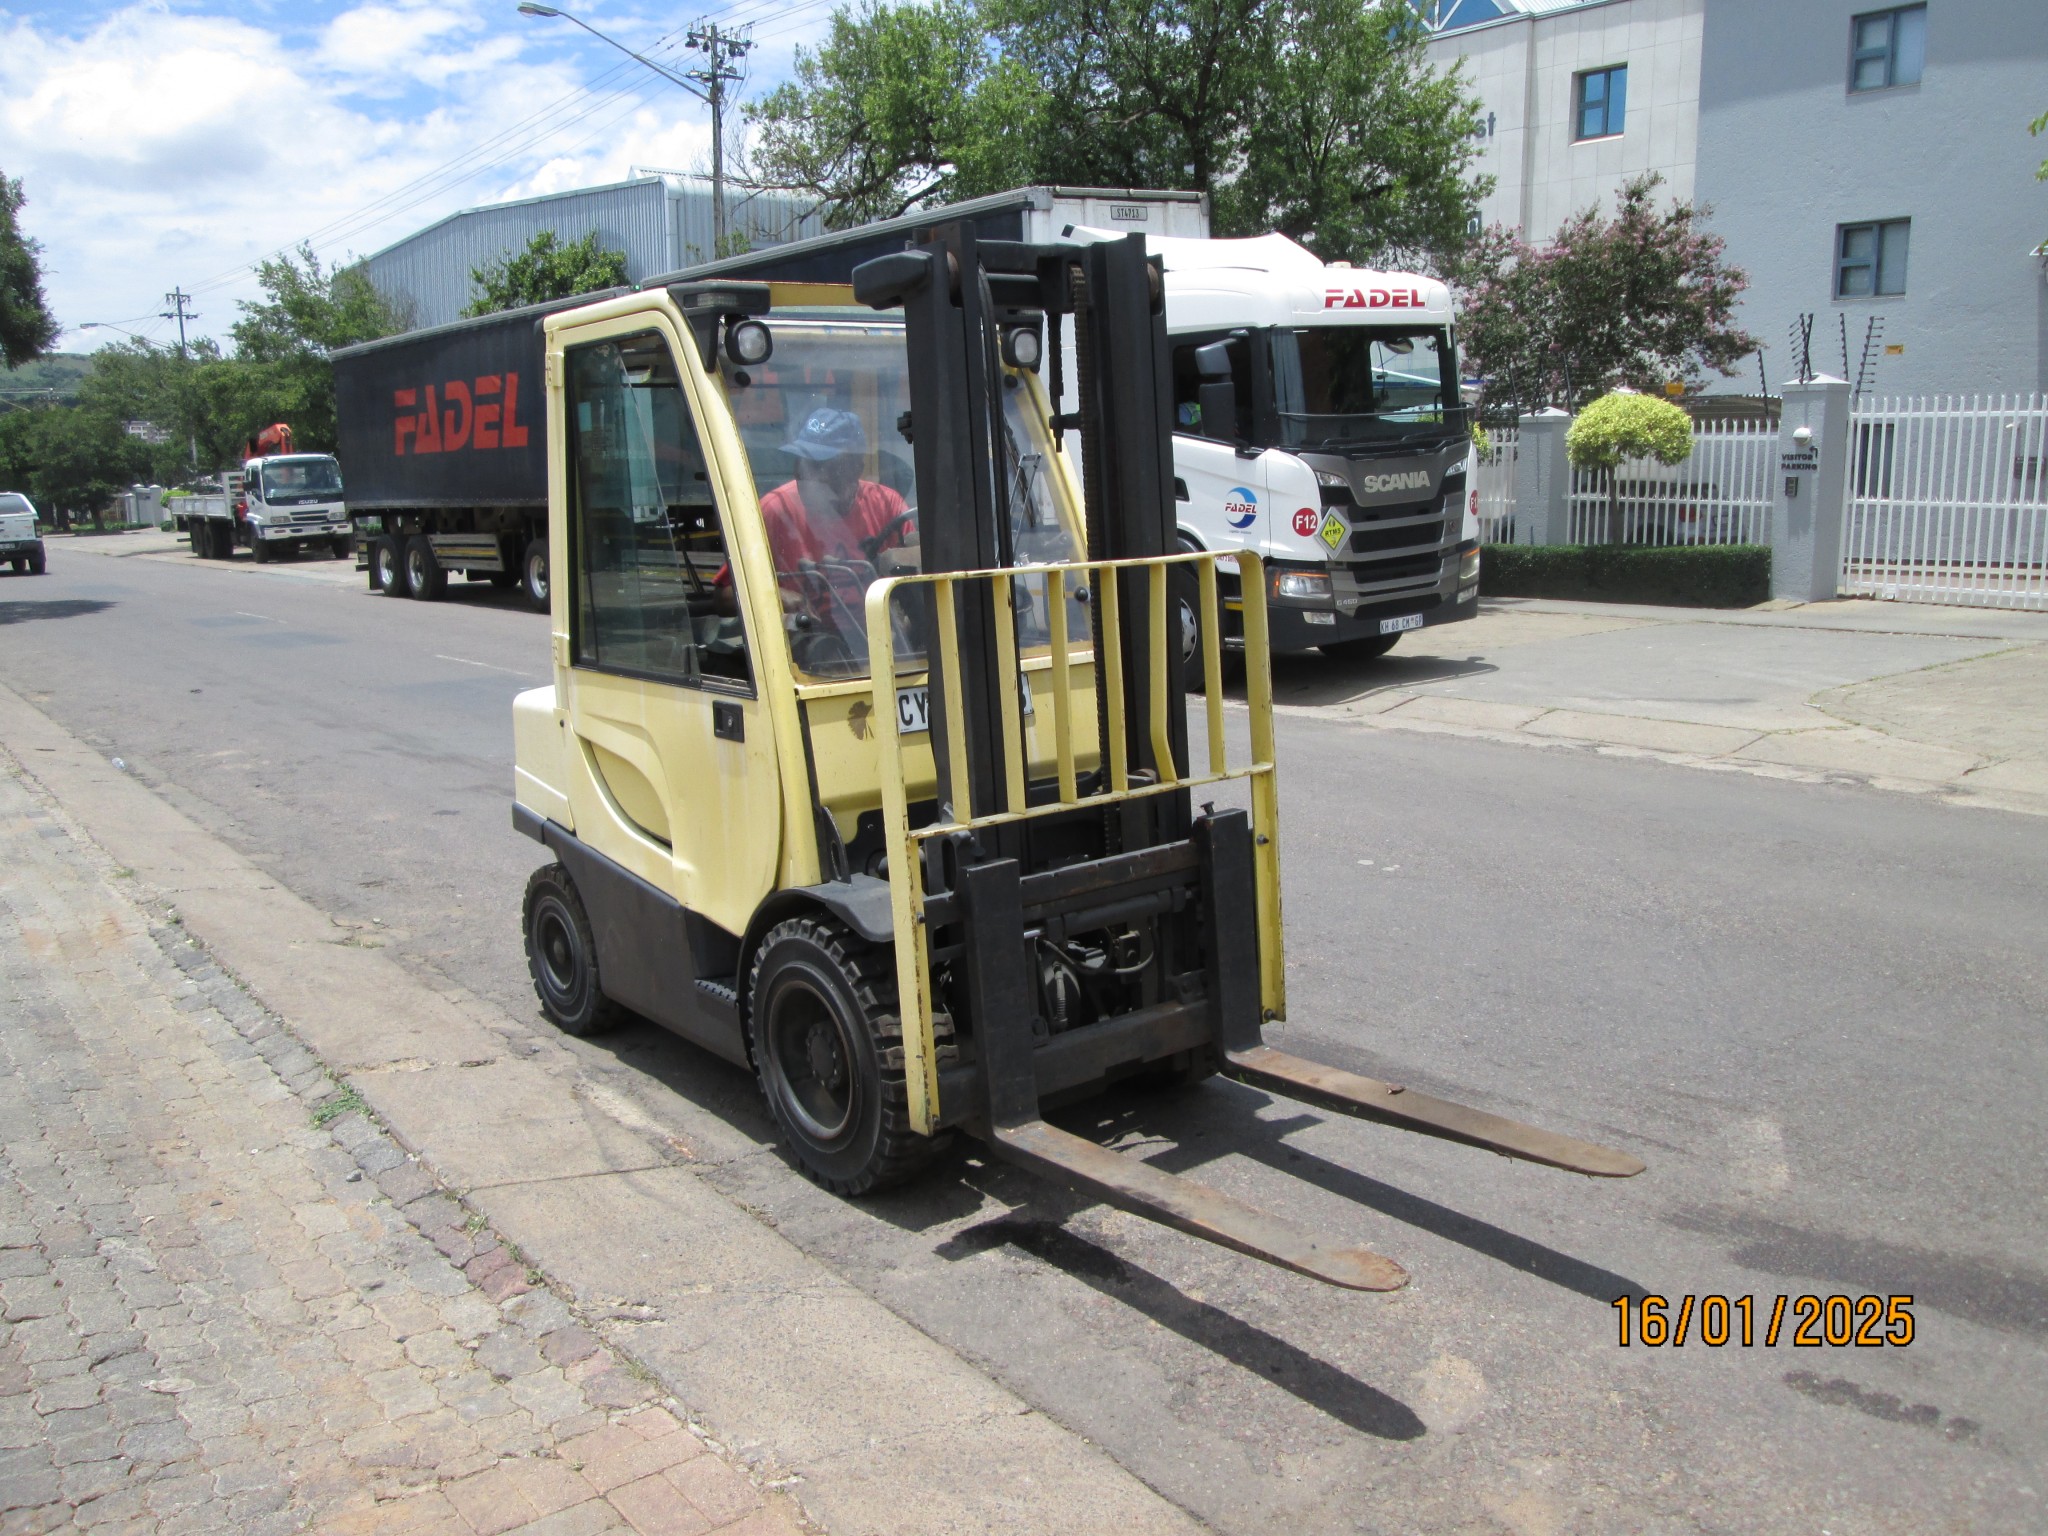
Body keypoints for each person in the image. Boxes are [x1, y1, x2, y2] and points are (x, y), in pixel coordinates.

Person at [758, 407, 911, 576]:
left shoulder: (888, 505)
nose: (804, 475)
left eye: (819, 465)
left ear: (856, 468)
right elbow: (728, 591)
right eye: (801, 462)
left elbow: (922, 577)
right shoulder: (775, 510)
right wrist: (780, 595)